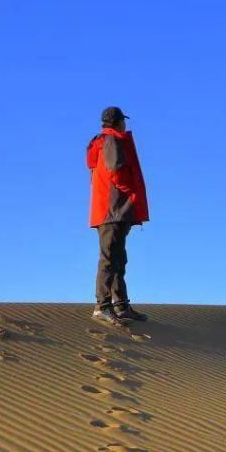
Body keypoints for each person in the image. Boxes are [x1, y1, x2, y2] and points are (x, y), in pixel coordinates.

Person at [86, 106, 150, 324]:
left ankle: (121, 305)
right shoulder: (111, 141)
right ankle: (102, 306)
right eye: (123, 121)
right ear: (119, 122)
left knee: (118, 258)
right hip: (112, 210)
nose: (125, 125)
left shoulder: (102, 142)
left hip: (110, 210)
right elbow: (116, 171)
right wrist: (130, 192)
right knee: (110, 259)